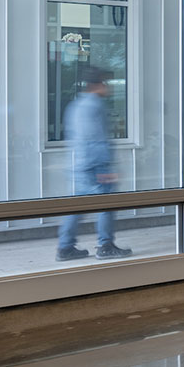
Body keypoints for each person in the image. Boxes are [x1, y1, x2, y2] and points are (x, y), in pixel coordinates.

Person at [56, 67, 132, 261]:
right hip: (95, 165)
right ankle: (105, 245)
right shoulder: (95, 106)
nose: (109, 87)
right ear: (98, 84)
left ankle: (65, 248)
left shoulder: (75, 105)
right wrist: (106, 168)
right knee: (106, 205)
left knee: (76, 207)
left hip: (80, 163)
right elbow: (96, 138)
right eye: (107, 83)